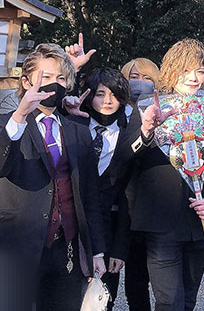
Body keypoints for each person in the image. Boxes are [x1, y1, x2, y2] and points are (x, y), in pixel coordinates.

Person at [0, 43, 105, 310]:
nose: (53, 84)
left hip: (65, 247)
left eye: (60, 78)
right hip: (15, 246)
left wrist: (97, 250)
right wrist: (20, 115)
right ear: (26, 81)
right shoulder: (7, 123)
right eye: (45, 77)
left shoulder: (77, 129)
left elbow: (90, 195)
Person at [130, 39, 204, 311]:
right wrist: (147, 131)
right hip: (161, 223)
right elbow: (126, 158)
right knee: (169, 301)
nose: (194, 78)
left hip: (198, 222)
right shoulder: (148, 108)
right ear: (172, 71)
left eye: (200, 71)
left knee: (188, 301)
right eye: (186, 70)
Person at [65, 67, 148, 310]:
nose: (107, 101)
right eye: (100, 94)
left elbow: (128, 194)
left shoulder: (128, 133)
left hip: (110, 228)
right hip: (71, 226)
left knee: (102, 300)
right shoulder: (72, 125)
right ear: (90, 95)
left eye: (114, 94)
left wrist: (119, 249)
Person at [120, 57, 161, 311]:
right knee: (132, 277)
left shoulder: (162, 112)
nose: (140, 83)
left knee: (157, 273)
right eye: (134, 77)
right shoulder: (113, 111)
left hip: (152, 202)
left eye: (147, 78)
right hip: (122, 203)